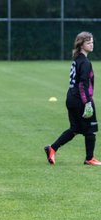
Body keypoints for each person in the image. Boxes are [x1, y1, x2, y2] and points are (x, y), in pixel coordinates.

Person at [45, 31, 100, 165]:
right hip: (81, 99)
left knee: (75, 129)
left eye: (92, 42)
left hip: (71, 98)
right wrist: (87, 102)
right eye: (88, 43)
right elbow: (82, 85)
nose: (91, 45)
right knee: (91, 129)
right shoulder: (85, 62)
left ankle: (52, 148)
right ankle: (89, 158)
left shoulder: (77, 59)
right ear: (81, 45)